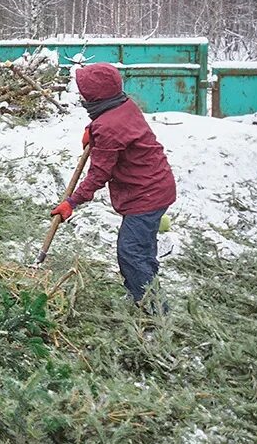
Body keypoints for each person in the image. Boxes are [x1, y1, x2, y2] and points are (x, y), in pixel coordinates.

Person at [51, 63, 176, 310]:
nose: (81, 97)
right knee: (141, 250)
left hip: (146, 194)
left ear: (95, 96)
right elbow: (116, 127)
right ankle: (141, 294)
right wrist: (93, 131)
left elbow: (99, 174)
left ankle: (155, 311)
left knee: (130, 252)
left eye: (84, 92)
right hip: (157, 185)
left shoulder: (108, 126)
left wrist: (72, 202)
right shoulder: (124, 105)